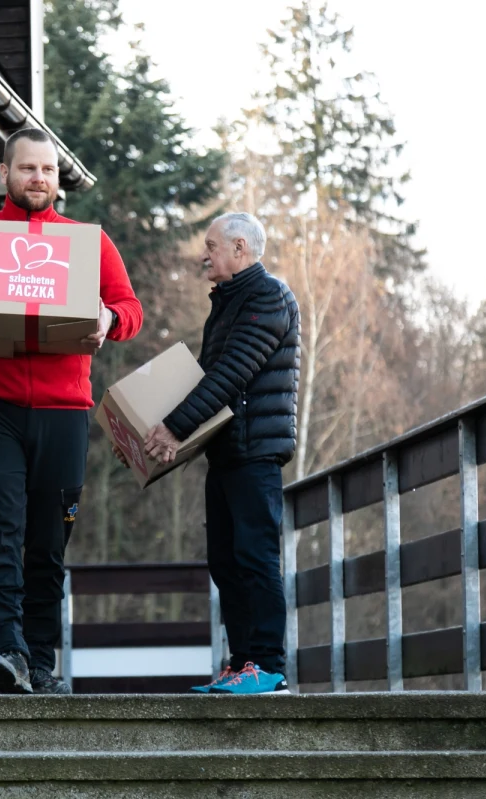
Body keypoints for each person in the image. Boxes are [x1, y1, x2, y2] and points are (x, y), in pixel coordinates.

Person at [0, 129, 143, 694]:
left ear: (57, 177)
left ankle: (40, 662)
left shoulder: (86, 242)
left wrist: (109, 319)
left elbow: (130, 307)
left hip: (64, 411)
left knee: (47, 542)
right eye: (27, 168)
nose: (38, 178)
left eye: (47, 169)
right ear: (5, 173)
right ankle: (5, 653)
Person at [142, 212, 300, 695]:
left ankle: (268, 666)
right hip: (227, 452)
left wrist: (174, 428)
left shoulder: (268, 296)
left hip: (256, 452)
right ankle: (242, 663)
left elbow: (231, 374)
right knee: (225, 561)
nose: (203, 255)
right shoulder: (228, 303)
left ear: (239, 247)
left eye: (211, 246)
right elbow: (205, 377)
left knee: (255, 557)